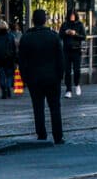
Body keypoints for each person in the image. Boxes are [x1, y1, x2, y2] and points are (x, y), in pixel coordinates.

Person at [18, 8, 64, 144]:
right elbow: (60, 59)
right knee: (55, 107)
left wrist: (25, 78)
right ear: (45, 20)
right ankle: (58, 135)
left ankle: (41, 134)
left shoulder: (26, 37)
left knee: (38, 108)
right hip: (52, 78)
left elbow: (22, 60)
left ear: (33, 20)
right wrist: (60, 76)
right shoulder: (53, 36)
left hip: (34, 79)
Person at [60, 10, 86, 98]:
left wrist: (75, 34)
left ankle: (77, 84)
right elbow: (60, 35)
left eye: (73, 15)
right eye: (70, 15)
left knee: (76, 70)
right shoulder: (64, 25)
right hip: (66, 50)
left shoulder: (79, 25)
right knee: (67, 71)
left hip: (76, 50)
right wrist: (65, 33)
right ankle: (68, 90)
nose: (72, 17)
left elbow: (84, 36)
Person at [0, 21, 17, 99]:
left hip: (0, 60)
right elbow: (14, 49)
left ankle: (4, 89)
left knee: (2, 76)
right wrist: (15, 59)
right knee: (9, 76)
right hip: (9, 60)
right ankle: (8, 87)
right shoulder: (11, 36)